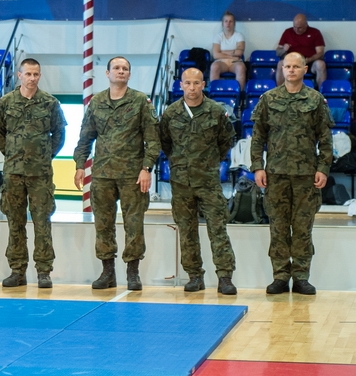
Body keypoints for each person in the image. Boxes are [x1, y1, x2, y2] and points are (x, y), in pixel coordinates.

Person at [73, 56, 159, 291]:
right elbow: (85, 136)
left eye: (125, 69)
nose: (121, 72)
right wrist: (80, 165)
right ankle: (107, 272)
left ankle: (133, 273)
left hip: (133, 175)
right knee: (103, 225)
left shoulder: (141, 101)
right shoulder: (97, 102)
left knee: (134, 224)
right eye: (116, 68)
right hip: (102, 175)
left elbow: (153, 140)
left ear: (129, 75)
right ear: (107, 73)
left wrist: (146, 168)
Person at [251, 52, 332, 295]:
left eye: (296, 66)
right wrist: (257, 166)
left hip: (306, 176)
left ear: (305, 69)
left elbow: (326, 140)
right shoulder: (268, 99)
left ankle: (300, 277)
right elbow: (258, 138)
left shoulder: (315, 100)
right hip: (275, 175)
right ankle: (280, 276)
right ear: (282, 69)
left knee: (302, 228)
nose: (291, 70)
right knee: (277, 228)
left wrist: (323, 169)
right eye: (287, 66)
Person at [159, 68, 237, 295]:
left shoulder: (215, 111)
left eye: (196, 83)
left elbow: (226, 141)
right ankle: (194, 275)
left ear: (203, 84)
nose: (192, 87)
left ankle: (225, 277)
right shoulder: (171, 113)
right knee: (187, 230)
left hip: (209, 181)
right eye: (187, 83)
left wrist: (209, 161)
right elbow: (165, 143)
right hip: (181, 183)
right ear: (181, 85)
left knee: (217, 229)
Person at [0, 58, 66, 288]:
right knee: (15, 222)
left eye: (36, 74)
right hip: (13, 173)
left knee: (42, 221)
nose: (32, 78)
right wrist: (15, 155)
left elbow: (59, 135)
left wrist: (43, 156)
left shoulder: (50, 103)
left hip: (40, 174)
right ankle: (17, 270)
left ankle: (44, 271)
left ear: (39, 76)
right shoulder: (5, 103)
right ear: (19, 75)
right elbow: (0, 135)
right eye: (28, 74)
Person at [275, 13, 326, 87]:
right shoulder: (288, 32)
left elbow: (320, 52)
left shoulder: (315, 32)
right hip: (292, 62)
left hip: (309, 62)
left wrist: (308, 59)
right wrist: (283, 49)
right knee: (280, 64)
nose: (296, 29)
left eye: (299, 28)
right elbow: (278, 52)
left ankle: (321, 93)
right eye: (294, 27)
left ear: (306, 25)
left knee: (321, 65)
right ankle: (281, 92)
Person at [210, 11, 247, 87]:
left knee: (241, 67)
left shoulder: (239, 36)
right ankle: (214, 93)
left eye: (231, 21)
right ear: (222, 23)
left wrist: (222, 52)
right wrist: (232, 54)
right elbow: (216, 55)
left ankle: (240, 94)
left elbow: (239, 53)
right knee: (214, 66)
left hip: (235, 62)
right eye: (226, 21)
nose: (228, 23)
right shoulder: (218, 37)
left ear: (234, 23)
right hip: (222, 63)